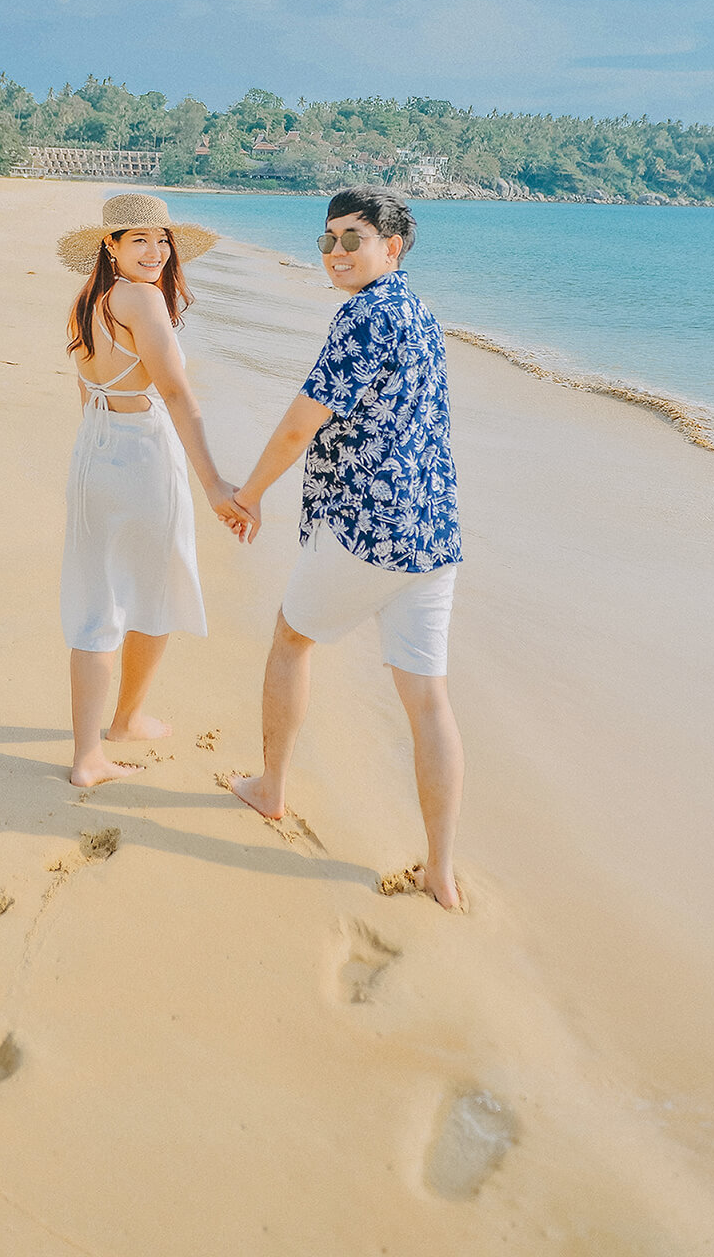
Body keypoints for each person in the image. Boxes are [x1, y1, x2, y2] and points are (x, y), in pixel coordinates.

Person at [227, 188, 466, 909]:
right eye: (328, 238)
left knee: (291, 640)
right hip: (432, 533)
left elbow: (303, 424)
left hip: (366, 527)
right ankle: (441, 872)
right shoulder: (418, 310)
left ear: (391, 246)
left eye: (353, 238)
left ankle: (271, 787)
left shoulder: (363, 316)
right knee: (428, 702)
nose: (335, 252)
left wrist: (249, 493)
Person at [58, 193, 249, 789]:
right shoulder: (142, 300)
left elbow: (86, 385)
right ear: (110, 245)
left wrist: (98, 451)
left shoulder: (91, 299)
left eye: (161, 239)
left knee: (98, 595)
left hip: (94, 450)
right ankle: (119, 726)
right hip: (140, 452)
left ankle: (101, 740)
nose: (156, 250)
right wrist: (215, 482)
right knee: (154, 588)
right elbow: (177, 393)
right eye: (137, 239)